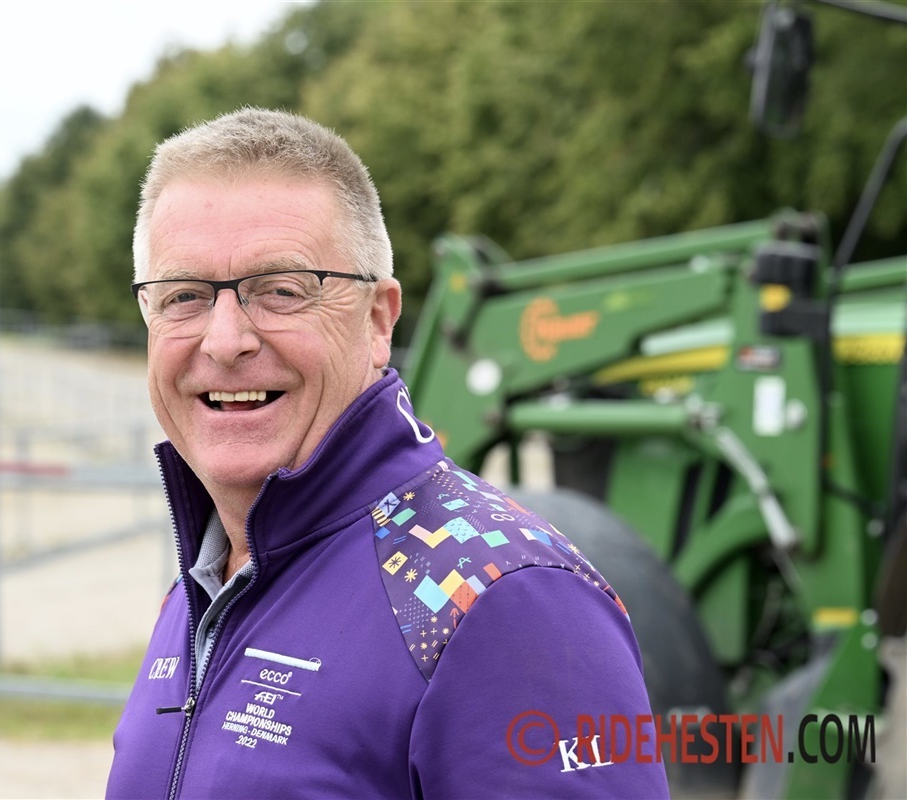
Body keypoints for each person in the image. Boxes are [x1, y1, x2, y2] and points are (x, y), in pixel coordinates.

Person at [106, 108, 669, 799]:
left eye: (280, 291)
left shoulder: (506, 603)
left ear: (378, 320)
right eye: (184, 296)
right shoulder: (206, 585)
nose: (225, 341)